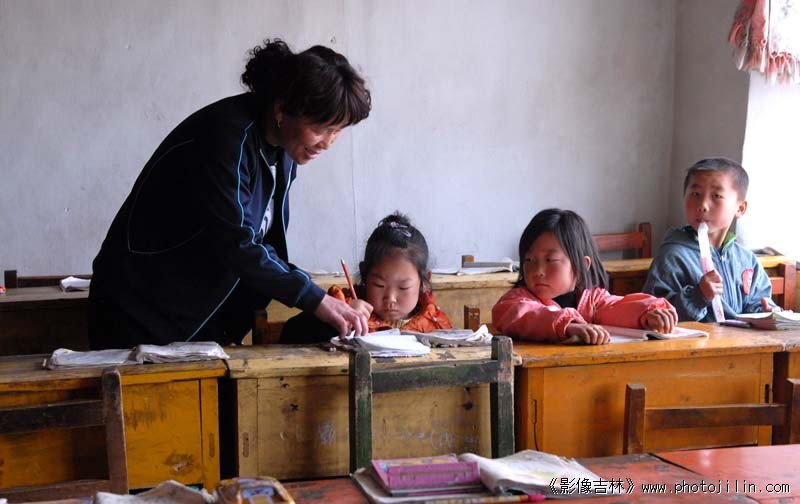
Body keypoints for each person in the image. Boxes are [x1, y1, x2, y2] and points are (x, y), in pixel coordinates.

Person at [88, 39, 372, 350]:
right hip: (141, 311)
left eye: (337, 130)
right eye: (319, 129)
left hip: (195, 317)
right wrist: (314, 298)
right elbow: (237, 242)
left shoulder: (285, 149)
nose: (327, 143)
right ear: (282, 109)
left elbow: (266, 245)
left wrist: (322, 300)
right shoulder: (227, 137)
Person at [492, 208, 677, 345]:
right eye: (529, 260)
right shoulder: (516, 301)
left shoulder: (593, 302)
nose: (538, 270)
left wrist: (649, 313)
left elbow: (619, 308)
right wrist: (567, 325)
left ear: (581, 266)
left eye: (550, 260)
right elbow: (522, 315)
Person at [281, 212, 452, 343]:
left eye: (403, 287)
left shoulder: (434, 322)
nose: (390, 298)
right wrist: (337, 320)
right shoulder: (343, 306)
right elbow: (290, 333)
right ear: (365, 275)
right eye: (379, 285)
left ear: (423, 282)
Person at [643, 158, 779, 322]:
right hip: (697, 339)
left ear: (740, 208)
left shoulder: (746, 260)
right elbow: (654, 312)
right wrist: (698, 296)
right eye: (695, 194)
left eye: (716, 196)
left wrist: (766, 312)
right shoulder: (673, 255)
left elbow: (758, 303)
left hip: (739, 338)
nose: (703, 205)